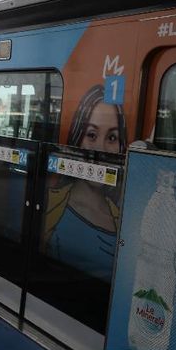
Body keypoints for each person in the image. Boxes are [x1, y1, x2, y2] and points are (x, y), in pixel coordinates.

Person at [43, 84, 127, 281]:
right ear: (77, 140)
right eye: (91, 135)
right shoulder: (49, 203)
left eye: (112, 137)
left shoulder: (123, 219)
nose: (101, 149)